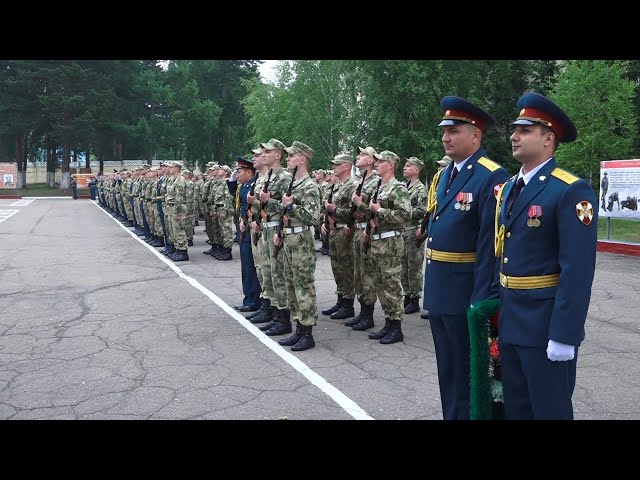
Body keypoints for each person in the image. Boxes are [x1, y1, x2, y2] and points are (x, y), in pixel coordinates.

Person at [495, 92, 597, 420]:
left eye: (524, 130)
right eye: (514, 129)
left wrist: (565, 334)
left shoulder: (569, 190)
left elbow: (577, 270)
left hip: (545, 326)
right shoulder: (510, 188)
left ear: (548, 139)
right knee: (517, 409)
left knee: (550, 411)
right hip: (511, 321)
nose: (514, 136)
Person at [424, 96, 510, 419]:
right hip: (439, 291)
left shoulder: (491, 176)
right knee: (447, 372)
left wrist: (481, 301)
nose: (446, 137)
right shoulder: (444, 176)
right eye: (444, 131)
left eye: (454, 130)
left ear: (475, 135)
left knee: (468, 377)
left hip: (465, 295)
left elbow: (491, 247)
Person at [275, 141, 322, 350]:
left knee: (304, 286)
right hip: (288, 238)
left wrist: (292, 207)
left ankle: (308, 332)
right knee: (291, 284)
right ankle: (298, 328)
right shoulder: (292, 184)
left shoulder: (310, 186)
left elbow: (313, 217)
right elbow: (284, 213)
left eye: (291, 156)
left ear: (302, 159)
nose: (287, 159)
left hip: (302, 240)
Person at [230, 156, 261, 312]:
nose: (237, 175)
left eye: (239, 171)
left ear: (249, 172)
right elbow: (233, 193)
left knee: (250, 267)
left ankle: (253, 300)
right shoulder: (244, 185)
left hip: (250, 230)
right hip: (244, 229)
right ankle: (248, 298)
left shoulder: (253, 186)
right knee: (246, 266)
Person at [401, 156, 427, 314]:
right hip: (402, 230)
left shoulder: (420, 189)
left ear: (416, 170)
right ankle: (407, 294)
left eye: (408, 166)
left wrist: (403, 212)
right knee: (403, 266)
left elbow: (423, 211)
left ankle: (415, 298)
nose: (404, 168)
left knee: (414, 267)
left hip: (413, 230)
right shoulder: (404, 186)